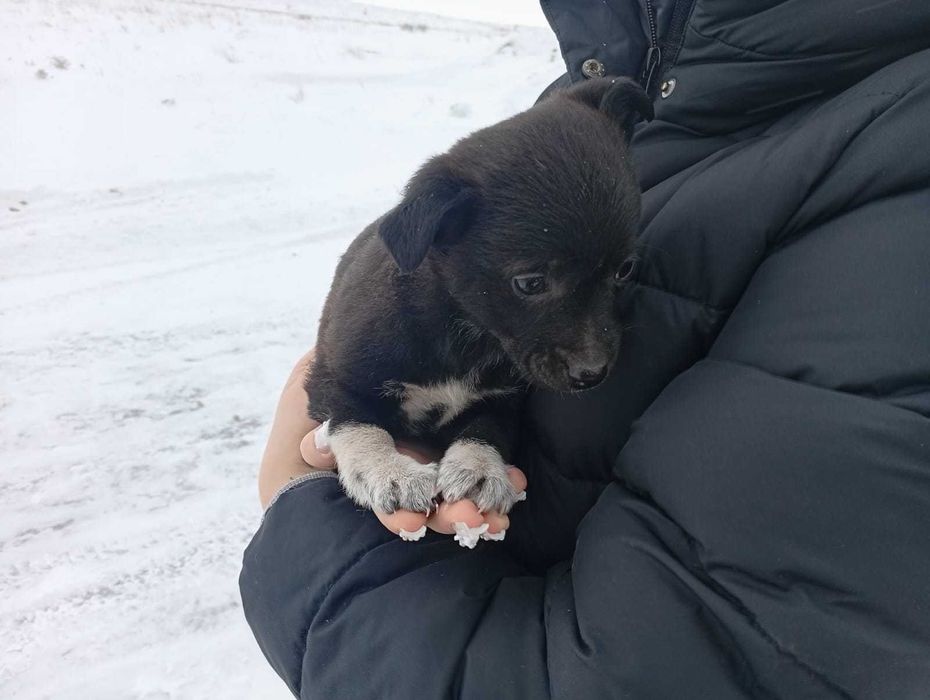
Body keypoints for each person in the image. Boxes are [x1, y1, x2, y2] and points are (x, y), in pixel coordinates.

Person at [240, 1, 930, 697]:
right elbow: (341, 386)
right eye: (533, 284)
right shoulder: (593, 104)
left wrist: (313, 523)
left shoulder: (895, 161)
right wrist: (357, 442)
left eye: (621, 272)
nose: (594, 353)